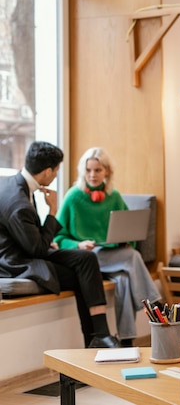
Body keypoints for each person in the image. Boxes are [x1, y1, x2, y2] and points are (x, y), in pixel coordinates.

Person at [0, 142, 120, 348]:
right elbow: (36, 249)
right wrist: (52, 211)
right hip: (16, 261)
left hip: (28, 248)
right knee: (83, 275)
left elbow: (32, 239)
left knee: (87, 259)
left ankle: (99, 336)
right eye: (56, 171)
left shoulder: (15, 183)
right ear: (47, 171)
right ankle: (97, 337)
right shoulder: (19, 203)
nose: (56, 175)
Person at [54, 147, 161, 347]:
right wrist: (78, 243)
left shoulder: (114, 196)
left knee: (124, 280)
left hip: (112, 256)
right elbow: (57, 237)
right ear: (82, 172)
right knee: (132, 256)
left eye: (97, 170)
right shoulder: (73, 196)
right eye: (88, 170)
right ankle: (157, 308)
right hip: (87, 258)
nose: (92, 175)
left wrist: (125, 240)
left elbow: (130, 229)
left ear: (107, 172)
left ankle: (127, 339)